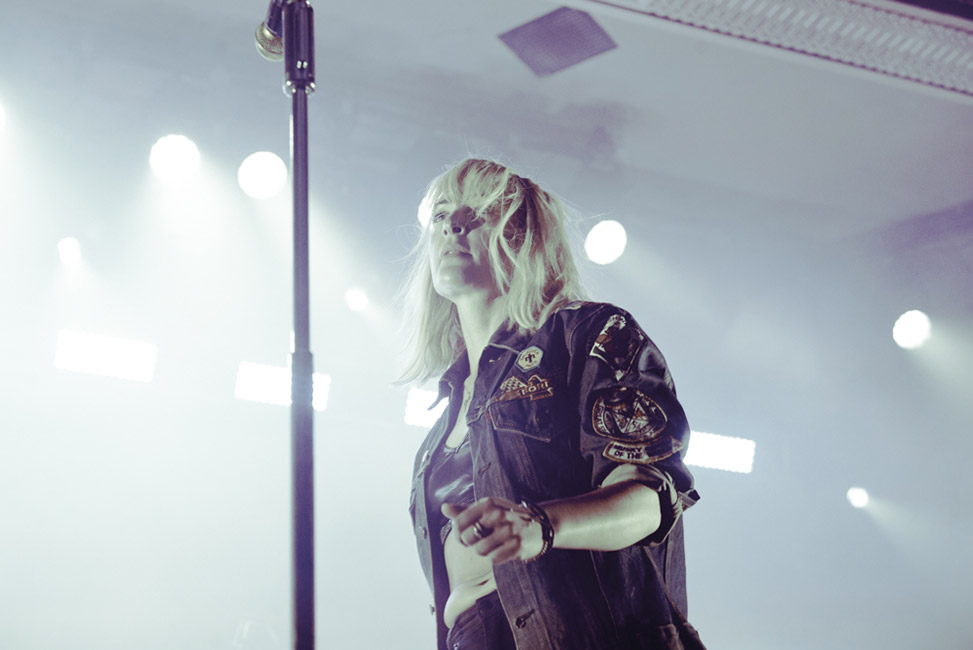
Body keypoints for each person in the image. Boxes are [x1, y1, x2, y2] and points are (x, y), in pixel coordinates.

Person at [400, 158, 706, 650]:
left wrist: (540, 525)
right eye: (440, 215)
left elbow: (650, 499)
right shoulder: (445, 418)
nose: (454, 224)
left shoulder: (586, 335)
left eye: (479, 211)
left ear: (524, 237)